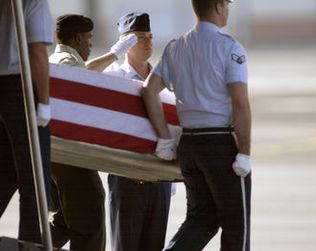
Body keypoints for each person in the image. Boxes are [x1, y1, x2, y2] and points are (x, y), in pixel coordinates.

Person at [141, 0, 252, 250]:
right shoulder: (229, 47)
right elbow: (240, 104)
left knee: (201, 218)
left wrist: (164, 139)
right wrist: (244, 151)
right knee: (236, 225)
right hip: (220, 143)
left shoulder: (176, 47)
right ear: (219, 6)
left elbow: (149, 90)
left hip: (189, 144)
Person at [48, 14, 138, 251]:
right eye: (88, 40)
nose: (89, 45)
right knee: (89, 222)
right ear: (77, 38)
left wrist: (114, 54)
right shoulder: (67, 62)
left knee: (67, 221)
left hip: (57, 155)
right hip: (71, 157)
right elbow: (80, 85)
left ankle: (28, 244)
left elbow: (83, 71)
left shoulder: (59, 58)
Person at [0, 0, 52, 243]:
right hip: (20, 88)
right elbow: (37, 51)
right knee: (35, 179)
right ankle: (30, 243)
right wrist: (44, 102)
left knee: (8, 168)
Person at [104, 12, 172, 251]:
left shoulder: (163, 79)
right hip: (128, 177)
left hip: (159, 178)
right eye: (139, 37)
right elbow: (82, 74)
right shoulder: (114, 77)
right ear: (125, 42)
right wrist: (115, 52)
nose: (147, 42)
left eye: (150, 37)